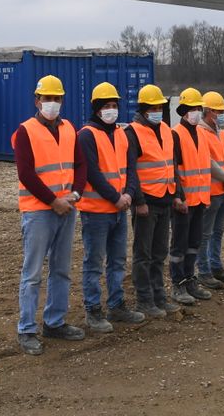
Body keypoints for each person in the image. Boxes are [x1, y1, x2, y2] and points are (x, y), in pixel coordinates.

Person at [12, 75, 88, 355]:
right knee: (32, 274)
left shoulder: (69, 129)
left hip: (66, 208)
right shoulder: (25, 131)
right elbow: (26, 173)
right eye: (48, 99)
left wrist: (75, 195)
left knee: (61, 270)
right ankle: (27, 329)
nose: (52, 103)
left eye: (57, 99)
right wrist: (53, 200)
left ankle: (55, 322)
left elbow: (81, 165)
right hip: (38, 212)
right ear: (37, 101)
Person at [76, 82, 145, 333]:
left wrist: (128, 194)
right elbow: (92, 173)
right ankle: (93, 310)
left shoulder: (122, 133)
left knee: (117, 261)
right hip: (96, 211)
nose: (111, 110)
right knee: (94, 263)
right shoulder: (86, 135)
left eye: (114, 105)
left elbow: (130, 169)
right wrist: (116, 197)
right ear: (96, 109)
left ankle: (117, 305)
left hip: (119, 208)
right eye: (106, 106)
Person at [125, 84, 179, 318]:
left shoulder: (166, 129)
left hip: (165, 197)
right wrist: (139, 200)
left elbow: (172, 163)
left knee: (159, 253)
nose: (158, 110)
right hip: (146, 202)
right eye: (154, 107)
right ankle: (144, 300)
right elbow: (131, 170)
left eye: (160, 106)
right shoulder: (132, 132)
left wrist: (177, 194)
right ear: (144, 109)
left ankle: (159, 296)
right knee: (143, 254)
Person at [169, 88, 214, 304]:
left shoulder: (202, 135)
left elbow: (204, 168)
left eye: (198, 108)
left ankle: (189, 278)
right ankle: (177, 283)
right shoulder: (176, 134)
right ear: (183, 111)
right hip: (184, 202)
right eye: (192, 108)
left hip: (200, 200)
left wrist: (206, 196)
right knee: (179, 244)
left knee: (193, 242)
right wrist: (178, 196)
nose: (195, 112)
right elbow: (173, 169)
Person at [195, 90, 224, 288]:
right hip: (211, 192)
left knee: (217, 231)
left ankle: (215, 265)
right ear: (207, 111)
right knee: (205, 234)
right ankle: (204, 271)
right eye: (217, 111)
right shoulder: (201, 132)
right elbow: (208, 161)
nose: (221, 114)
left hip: (223, 190)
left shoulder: (219, 132)